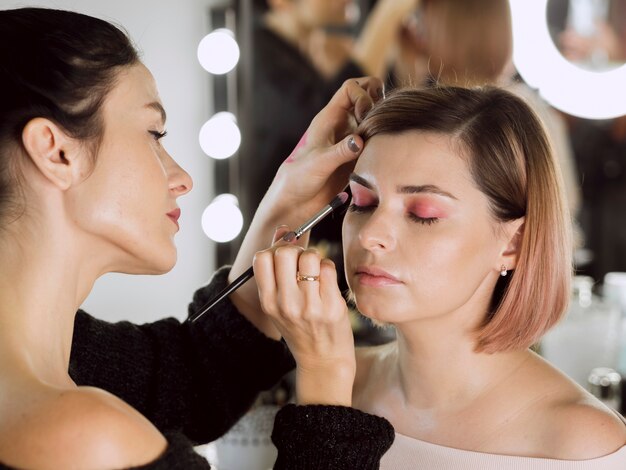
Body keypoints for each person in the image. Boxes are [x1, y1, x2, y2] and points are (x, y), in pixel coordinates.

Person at [0, 7, 395, 469]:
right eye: (154, 133)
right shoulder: (85, 440)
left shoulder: (69, 357)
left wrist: (288, 199)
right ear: (57, 152)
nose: (182, 178)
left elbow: (191, 379)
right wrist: (327, 381)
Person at [254, 86, 626, 468]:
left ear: (514, 243)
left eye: (424, 213)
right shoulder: (332, 381)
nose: (370, 235)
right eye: (363, 203)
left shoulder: (581, 443)